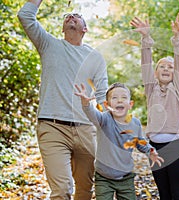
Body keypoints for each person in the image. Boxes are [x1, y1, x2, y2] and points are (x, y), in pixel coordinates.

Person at [18, 1, 108, 199]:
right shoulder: (48, 44)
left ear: (85, 28)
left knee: (85, 189)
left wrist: (113, 125)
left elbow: (102, 94)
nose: (71, 16)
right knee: (61, 190)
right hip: (52, 127)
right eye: (68, 16)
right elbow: (25, 16)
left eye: (76, 16)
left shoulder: (94, 56)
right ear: (62, 28)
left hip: (86, 129)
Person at [130, 13, 179, 199]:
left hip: (177, 145)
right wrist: (145, 38)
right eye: (161, 66)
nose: (166, 69)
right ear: (155, 73)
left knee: (178, 193)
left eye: (170, 67)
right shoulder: (151, 88)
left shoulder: (178, 88)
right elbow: (145, 64)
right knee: (163, 193)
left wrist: (177, 40)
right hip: (155, 147)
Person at [74, 82, 164, 200]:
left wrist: (150, 150)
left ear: (130, 104)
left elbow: (140, 143)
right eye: (115, 98)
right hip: (104, 177)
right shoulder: (103, 120)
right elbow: (92, 114)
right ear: (107, 104)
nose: (120, 100)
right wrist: (86, 104)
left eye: (124, 97)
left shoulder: (135, 123)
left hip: (126, 177)